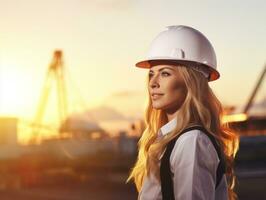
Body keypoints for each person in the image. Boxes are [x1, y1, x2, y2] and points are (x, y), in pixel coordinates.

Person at [126, 25, 239, 200]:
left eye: (165, 73)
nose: (153, 83)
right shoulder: (170, 137)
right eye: (151, 74)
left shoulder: (192, 141)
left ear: (190, 82)